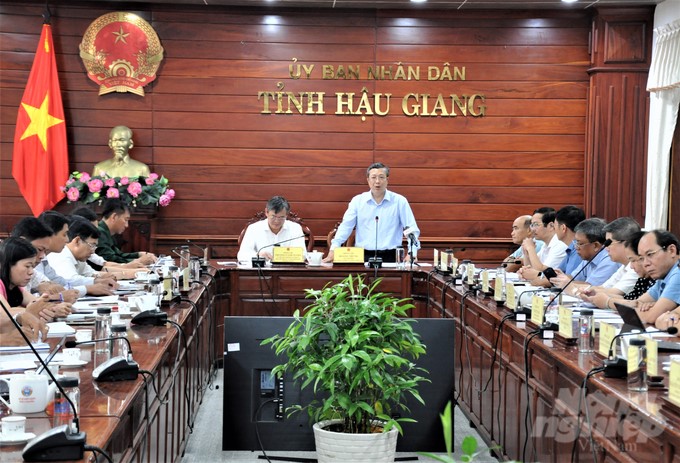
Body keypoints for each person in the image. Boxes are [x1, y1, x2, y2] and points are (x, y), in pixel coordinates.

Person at [325, 162, 419, 263]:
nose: (377, 181)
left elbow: (411, 229)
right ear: (368, 180)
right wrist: (333, 249)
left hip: (391, 256)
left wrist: (412, 253)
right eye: (373, 177)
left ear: (387, 180)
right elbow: (346, 227)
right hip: (363, 256)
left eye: (381, 177)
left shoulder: (399, 201)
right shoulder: (358, 201)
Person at [0, 237, 71, 322]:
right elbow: (5, 314)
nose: (31, 272)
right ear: (8, 264)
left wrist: (55, 308)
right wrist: (42, 309)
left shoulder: (16, 287)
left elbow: (37, 304)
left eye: (32, 267)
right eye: (27, 266)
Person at [581, 231, 654, 309]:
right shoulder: (643, 279)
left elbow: (635, 306)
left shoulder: (657, 279)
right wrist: (596, 294)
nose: (632, 267)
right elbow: (630, 300)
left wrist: (607, 301)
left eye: (633, 260)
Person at [549, 218, 621, 291]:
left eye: (580, 243)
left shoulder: (609, 260)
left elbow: (591, 288)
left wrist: (566, 283)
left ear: (595, 245)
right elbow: (573, 278)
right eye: (575, 243)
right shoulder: (588, 257)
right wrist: (562, 278)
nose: (576, 247)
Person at [237, 196, 306, 263]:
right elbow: (242, 255)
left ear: (286, 215)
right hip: (261, 272)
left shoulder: (295, 228)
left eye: (281, 217)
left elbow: (303, 255)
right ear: (266, 212)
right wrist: (258, 255)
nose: (277, 221)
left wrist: (285, 256)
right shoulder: (254, 228)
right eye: (273, 217)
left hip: (287, 271)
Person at [631, 230, 680, 324]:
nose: (645, 264)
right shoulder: (664, 275)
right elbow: (635, 304)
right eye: (641, 258)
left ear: (672, 250)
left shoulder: (678, 273)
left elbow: (651, 317)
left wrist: (655, 310)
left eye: (650, 254)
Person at [96, 198, 157, 264]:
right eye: (126, 219)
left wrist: (139, 254)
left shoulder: (106, 231)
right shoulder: (99, 232)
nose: (126, 225)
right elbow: (110, 260)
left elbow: (118, 255)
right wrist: (139, 261)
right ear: (114, 217)